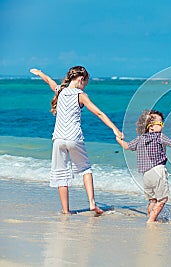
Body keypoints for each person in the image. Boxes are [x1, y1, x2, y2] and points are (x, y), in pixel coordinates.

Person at [30, 66, 123, 215]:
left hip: (58, 139)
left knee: (61, 174)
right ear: (81, 79)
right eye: (86, 82)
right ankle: (92, 203)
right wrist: (115, 129)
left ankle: (66, 210)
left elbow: (49, 81)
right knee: (85, 169)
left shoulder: (60, 90)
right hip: (74, 138)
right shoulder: (81, 95)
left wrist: (39, 73)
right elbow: (99, 113)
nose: (85, 85)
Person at [116, 110, 171, 223]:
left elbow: (126, 146)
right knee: (163, 199)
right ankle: (151, 220)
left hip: (146, 175)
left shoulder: (139, 138)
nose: (162, 126)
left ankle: (151, 218)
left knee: (152, 200)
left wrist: (118, 139)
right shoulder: (160, 136)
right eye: (160, 124)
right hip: (158, 170)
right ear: (151, 128)